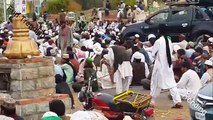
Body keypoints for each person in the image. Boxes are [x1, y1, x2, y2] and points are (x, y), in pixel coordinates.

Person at [150, 24, 182, 108]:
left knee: (155, 83)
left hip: (159, 65)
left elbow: (153, 53)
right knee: (172, 83)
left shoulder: (158, 41)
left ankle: (152, 102)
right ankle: (177, 101)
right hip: (168, 65)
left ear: (159, 31)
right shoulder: (169, 40)